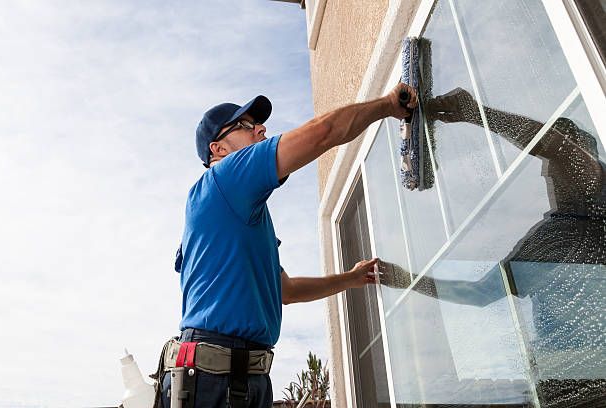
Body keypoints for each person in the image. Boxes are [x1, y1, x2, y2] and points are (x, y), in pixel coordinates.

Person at [160, 83, 417, 408]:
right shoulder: (225, 178)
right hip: (215, 379)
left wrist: (350, 279)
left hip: (238, 376)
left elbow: (286, 291)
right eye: (246, 126)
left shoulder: (241, 216)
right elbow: (323, 132)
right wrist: (388, 105)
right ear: (219, 149)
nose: (260, 129)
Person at [382, 87, 605, 407]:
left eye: (551, 169)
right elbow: (480, 293)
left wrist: (477, 113)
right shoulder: (561, 234)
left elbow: (479, 293)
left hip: (570, 386)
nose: (547, 178)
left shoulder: (560, 237)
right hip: (562, 383)